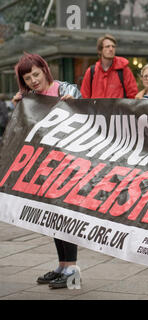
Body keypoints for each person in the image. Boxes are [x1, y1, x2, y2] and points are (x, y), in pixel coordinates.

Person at [12, 52, 82, 289]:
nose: (33, 80)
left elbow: (86, 113)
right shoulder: (30, 98)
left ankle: (72, 269)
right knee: (54, 218)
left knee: (65, 215)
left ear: (44, 70)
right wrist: (19, 108)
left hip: (67, 164)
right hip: (44, 165)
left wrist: (75, 101)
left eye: (36, 74)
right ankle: (63, 266)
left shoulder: (64, 90)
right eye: (28, 78)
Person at [80, 34, 138, 99]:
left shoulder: (124, 70)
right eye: (107, 46)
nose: (111, 49)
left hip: (118, 109)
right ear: (100, 50)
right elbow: (84, 97)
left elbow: (133, 96)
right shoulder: (91, 71)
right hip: (96, 109)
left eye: (113, 46)